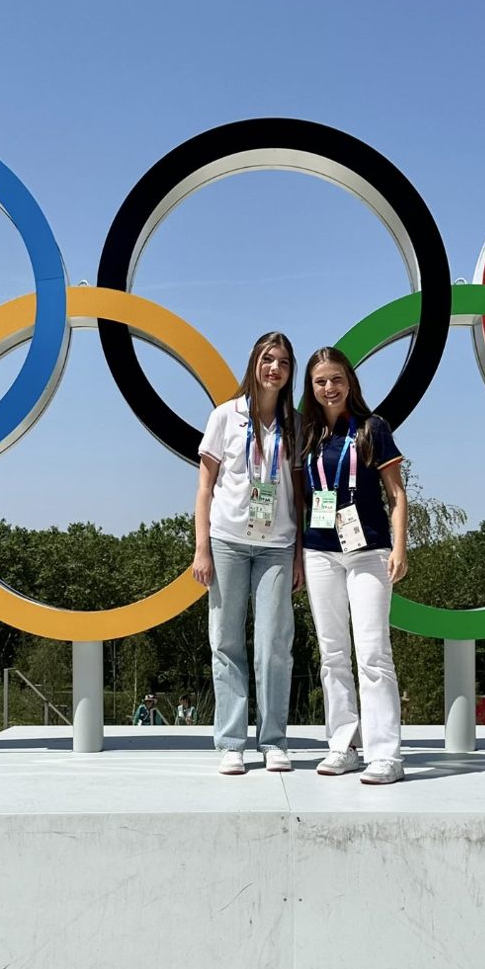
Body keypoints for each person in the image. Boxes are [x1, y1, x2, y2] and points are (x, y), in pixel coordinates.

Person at [194, 331, 304, 775]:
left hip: (278, 547)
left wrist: (298, 555)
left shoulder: (295, 424)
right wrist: (202, 548)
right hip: (227, 543)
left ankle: (273, 740)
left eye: (282, 362)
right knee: (226, 641)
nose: (274, 368)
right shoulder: (225, 416)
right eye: (267, 359)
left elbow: (299, 496)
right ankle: (231, 742)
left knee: (275, 645)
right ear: (254, 364)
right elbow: (205, 487)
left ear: (290, 371)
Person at [300, 347, 408, 785]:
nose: (330, 388)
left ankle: (386, 756)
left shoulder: (372, 428)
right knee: (332, 654)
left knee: (373, 652)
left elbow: (396, 495)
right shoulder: (306, 434)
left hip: (369, 552)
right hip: (320, 552)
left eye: (336, 379)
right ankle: (342, 745)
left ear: (350, 381)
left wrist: (400, 547)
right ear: (311, 388)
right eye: (321, 381)